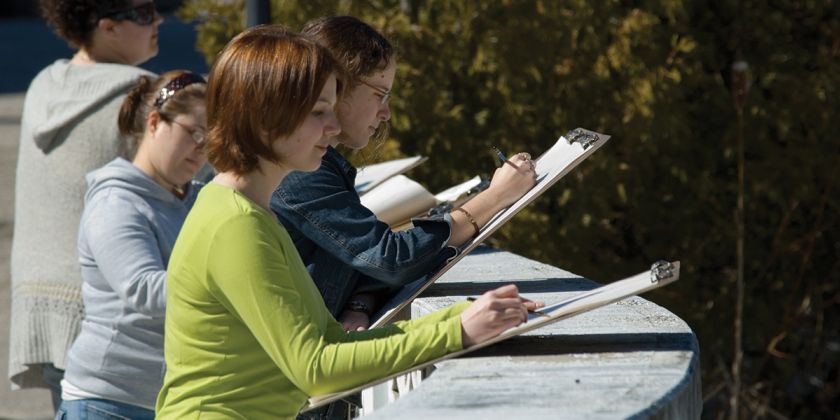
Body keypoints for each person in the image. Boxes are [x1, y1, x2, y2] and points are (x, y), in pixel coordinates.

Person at [155, 25, 541, 419]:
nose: (334, 126)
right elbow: (316, 369)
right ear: (268, 120)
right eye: (318, 112)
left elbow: (332, 341)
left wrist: (460, 316)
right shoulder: (235, 224)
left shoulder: (250, 211)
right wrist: (455, 332)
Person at [270, 16, 538, 332]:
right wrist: (495, 198)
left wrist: (360, 304)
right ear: (338, 87)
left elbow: (356, 259)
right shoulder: (298, 172)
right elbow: (390, 260)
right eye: (379, 94)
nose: (386, 113)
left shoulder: (311, 164)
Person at [8, 0, 163, 409]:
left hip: (37, 303)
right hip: (106, 313)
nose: (159, 20)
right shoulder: (144, 93)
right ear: (107, 27)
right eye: (145, 14)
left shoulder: (45, 81)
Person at [54, 70, 207, 419]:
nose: (201, 148)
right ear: (155, 122)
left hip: (165, 398)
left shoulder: (194, 197)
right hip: (107, 400)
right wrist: (230, 277)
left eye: (210, 139)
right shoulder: (117, 203)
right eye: (194, 132)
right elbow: (145, 291)